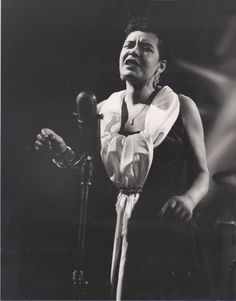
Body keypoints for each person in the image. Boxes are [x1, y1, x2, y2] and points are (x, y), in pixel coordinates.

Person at [35, 18, 212, 300]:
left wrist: (189, 200)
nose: (133, 51)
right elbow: (89, 169)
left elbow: (203, 174)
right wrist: (63, 153)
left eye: (145, 47)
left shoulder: (181, 107)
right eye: (128, 45)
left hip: (160, 232)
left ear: (161, 66)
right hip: (109, 230)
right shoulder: (103, 109)